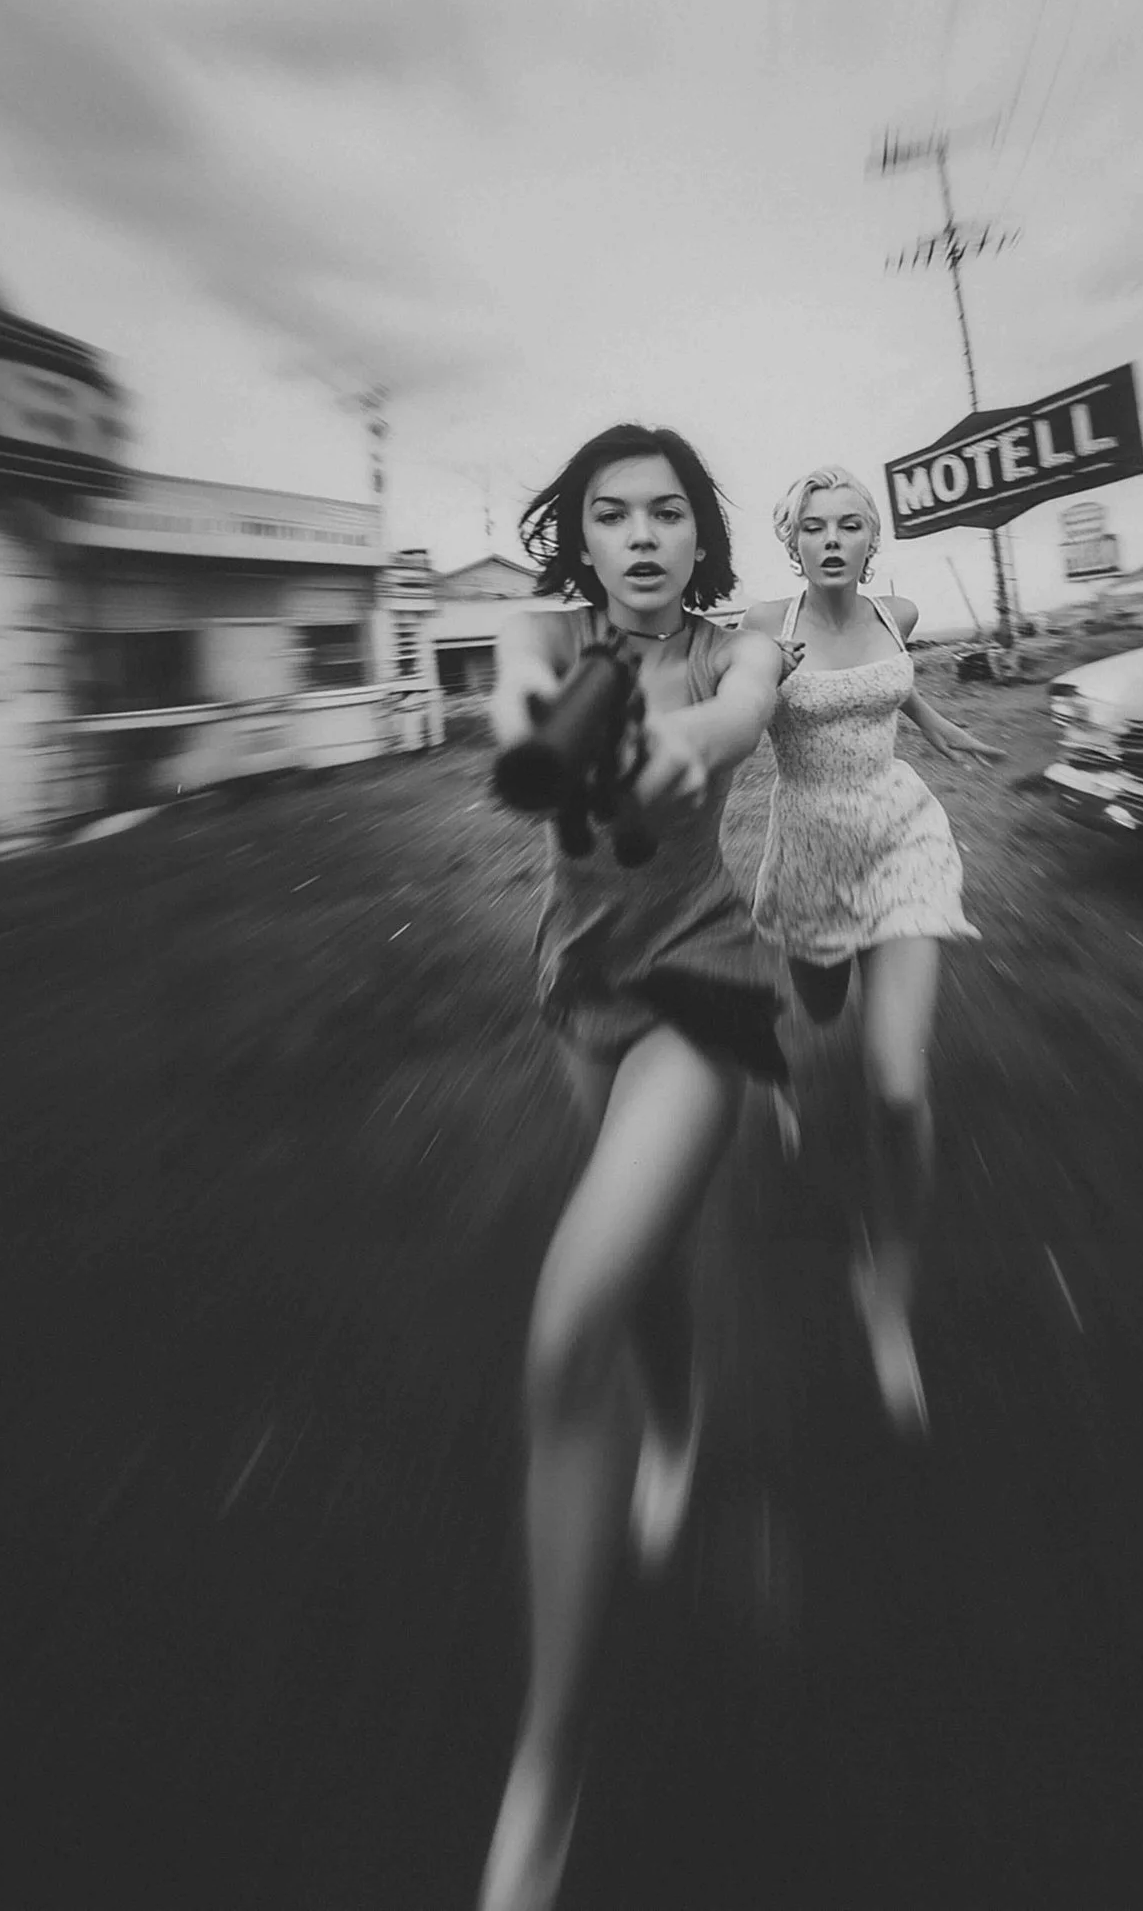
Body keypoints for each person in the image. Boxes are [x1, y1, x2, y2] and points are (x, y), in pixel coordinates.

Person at [476, 423, 786, 1911]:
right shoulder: (539, 633)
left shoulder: (743, 645)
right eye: (615, 514)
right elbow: (523, 723)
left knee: (567, 1322)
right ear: (580, 537)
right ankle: (678, 1418)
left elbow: (735, 719)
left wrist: (691, 745)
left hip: (706, 987)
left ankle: (546, 1769)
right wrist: (563, 733)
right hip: (581, 993)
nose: (645, 535)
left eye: (669, 512)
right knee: (642, 1253)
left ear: (699, 533)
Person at [741, 467, 1001, 1436]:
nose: (835, 537)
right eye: (817, 526)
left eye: (852, 523)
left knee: (896, 1085)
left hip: (903, 836)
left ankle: (883, 1287)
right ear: (794, 542)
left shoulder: (900, 607)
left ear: (872, 538)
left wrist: (935, 723)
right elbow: (734, 710)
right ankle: (779, 1062)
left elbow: (897, 685)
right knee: (815, 1009)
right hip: (809, 852)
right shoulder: (763, 629)